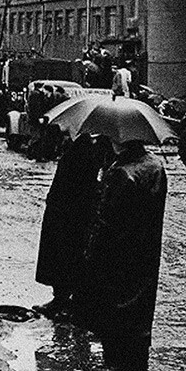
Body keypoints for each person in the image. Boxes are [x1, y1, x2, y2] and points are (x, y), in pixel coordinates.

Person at [72, 137, 168, 371]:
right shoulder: (155, 166)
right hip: (145, 248)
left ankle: (117, 361)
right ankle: (137, 361)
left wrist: (90, 250)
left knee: (114, 303)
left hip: (117, 250)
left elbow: (105, 219)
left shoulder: (120, 172)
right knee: (141, 304)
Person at [35, 133, 110, 318]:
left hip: (72, 208)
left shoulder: (88, 145)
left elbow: (85, 178)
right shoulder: (85, 143)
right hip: (68, 206)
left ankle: (65, 300)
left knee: (68, 252)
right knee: (67, 252)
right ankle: (65, 298)